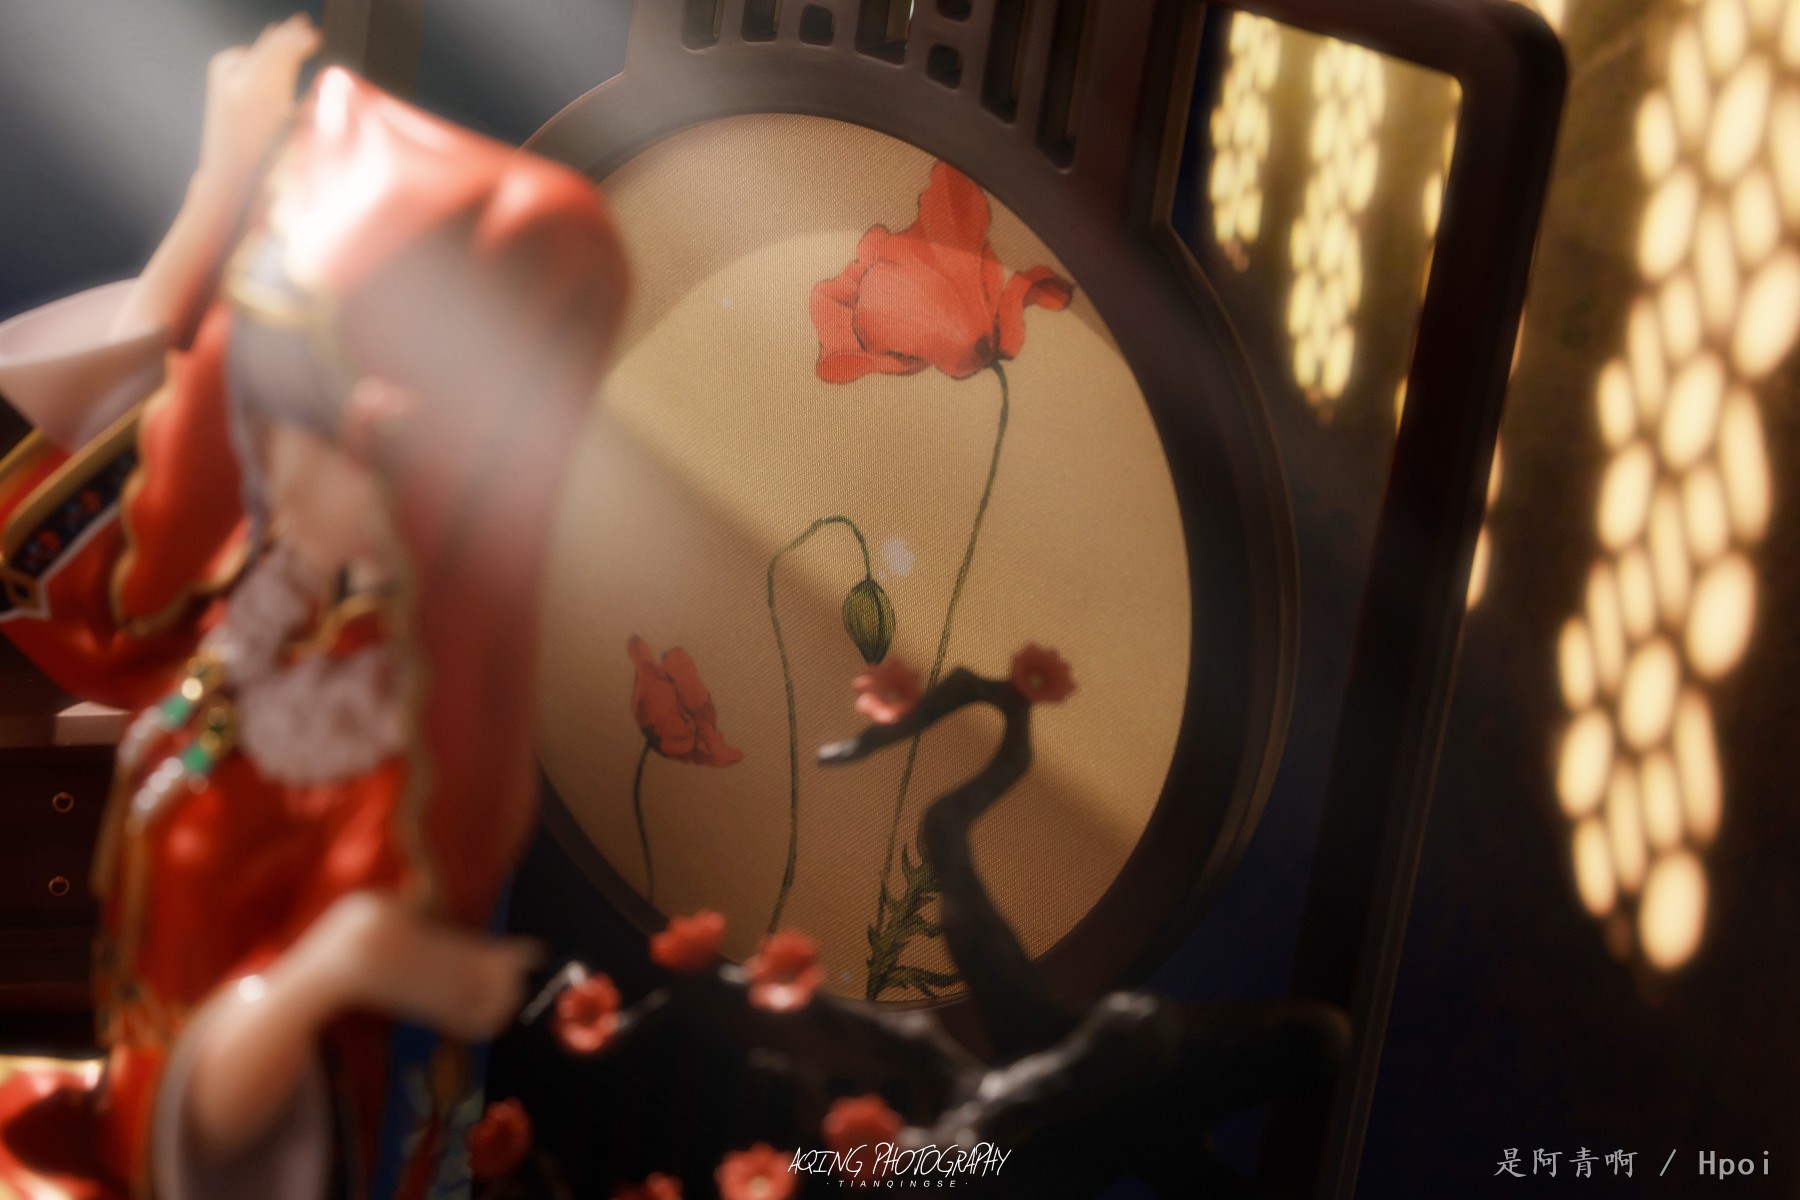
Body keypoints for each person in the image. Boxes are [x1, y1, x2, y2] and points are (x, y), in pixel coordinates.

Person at [0, 15, 629, 1198]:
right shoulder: (280, 613)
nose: (267, 462)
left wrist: (323, 974)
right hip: (135, 1129)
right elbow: (75, 559)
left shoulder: (399, 754)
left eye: (305, 431)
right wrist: (219, 189)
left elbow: (317, 1104)